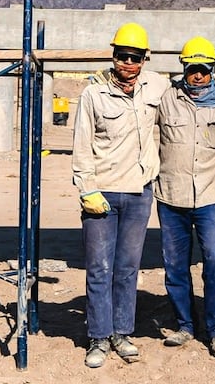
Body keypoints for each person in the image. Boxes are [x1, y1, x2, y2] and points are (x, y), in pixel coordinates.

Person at [72, 22, 170, 369]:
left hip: (140, 193)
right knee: (99, 268)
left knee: (127, 269)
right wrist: (87, 189)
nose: (126, 63)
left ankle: (122, 333)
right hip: (103, 192)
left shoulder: (157, 86)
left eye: (133, 57)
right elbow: (81, 146)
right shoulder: (93, 94)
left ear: (145, 58)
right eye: (121, 56)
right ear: (113, 56)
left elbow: (194, 87)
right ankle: (98, 336)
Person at [154, 36, 215, 358]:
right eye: (192, 69)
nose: (198, 76)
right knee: (175, 266)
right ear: (184, 69)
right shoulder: (166, 97)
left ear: (212, 70)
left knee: (214, 263)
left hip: (211, 194)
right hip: (170, 194)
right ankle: (185, 324)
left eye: (204, 70)